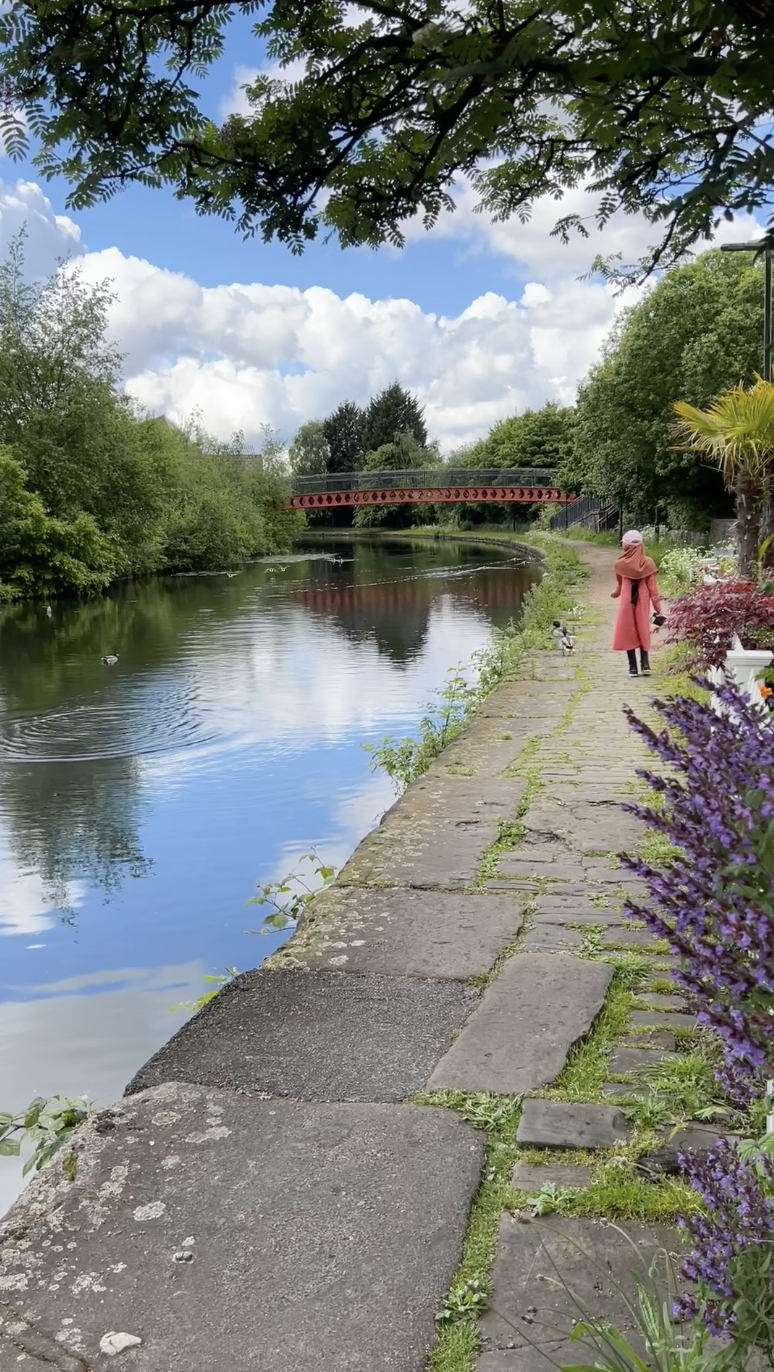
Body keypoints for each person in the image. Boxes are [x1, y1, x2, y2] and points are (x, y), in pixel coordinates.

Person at [611, 530, 662, 677]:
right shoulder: (647, 562)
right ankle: (645, 665)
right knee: (642, 628)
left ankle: (632, 667)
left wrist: (616, 593)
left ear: (626, 546)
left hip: (626, 601)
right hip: (643, 600)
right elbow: (653, 588)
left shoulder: (620, 564)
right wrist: (657, 607)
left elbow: (620, 585)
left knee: (628, 630)